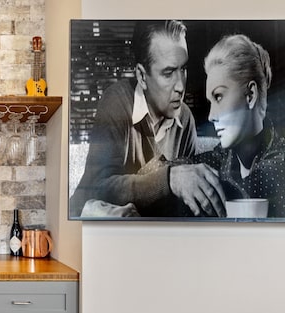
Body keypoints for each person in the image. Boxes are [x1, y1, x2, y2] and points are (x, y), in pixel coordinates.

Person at [70, 20, 226, 217]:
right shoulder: (116, 102)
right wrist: (169, 179)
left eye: (183, 69)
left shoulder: (185, 118)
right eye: (168, 73)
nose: (180, 86)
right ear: (142, 77)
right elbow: (96, 189)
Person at [193, 34, 285, 217]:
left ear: (250, 95)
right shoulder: (223, 156)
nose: (211, 116)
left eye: (218, 96)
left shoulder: (279, 164)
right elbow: (158, 170)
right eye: (210, 101)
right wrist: (173, 177)